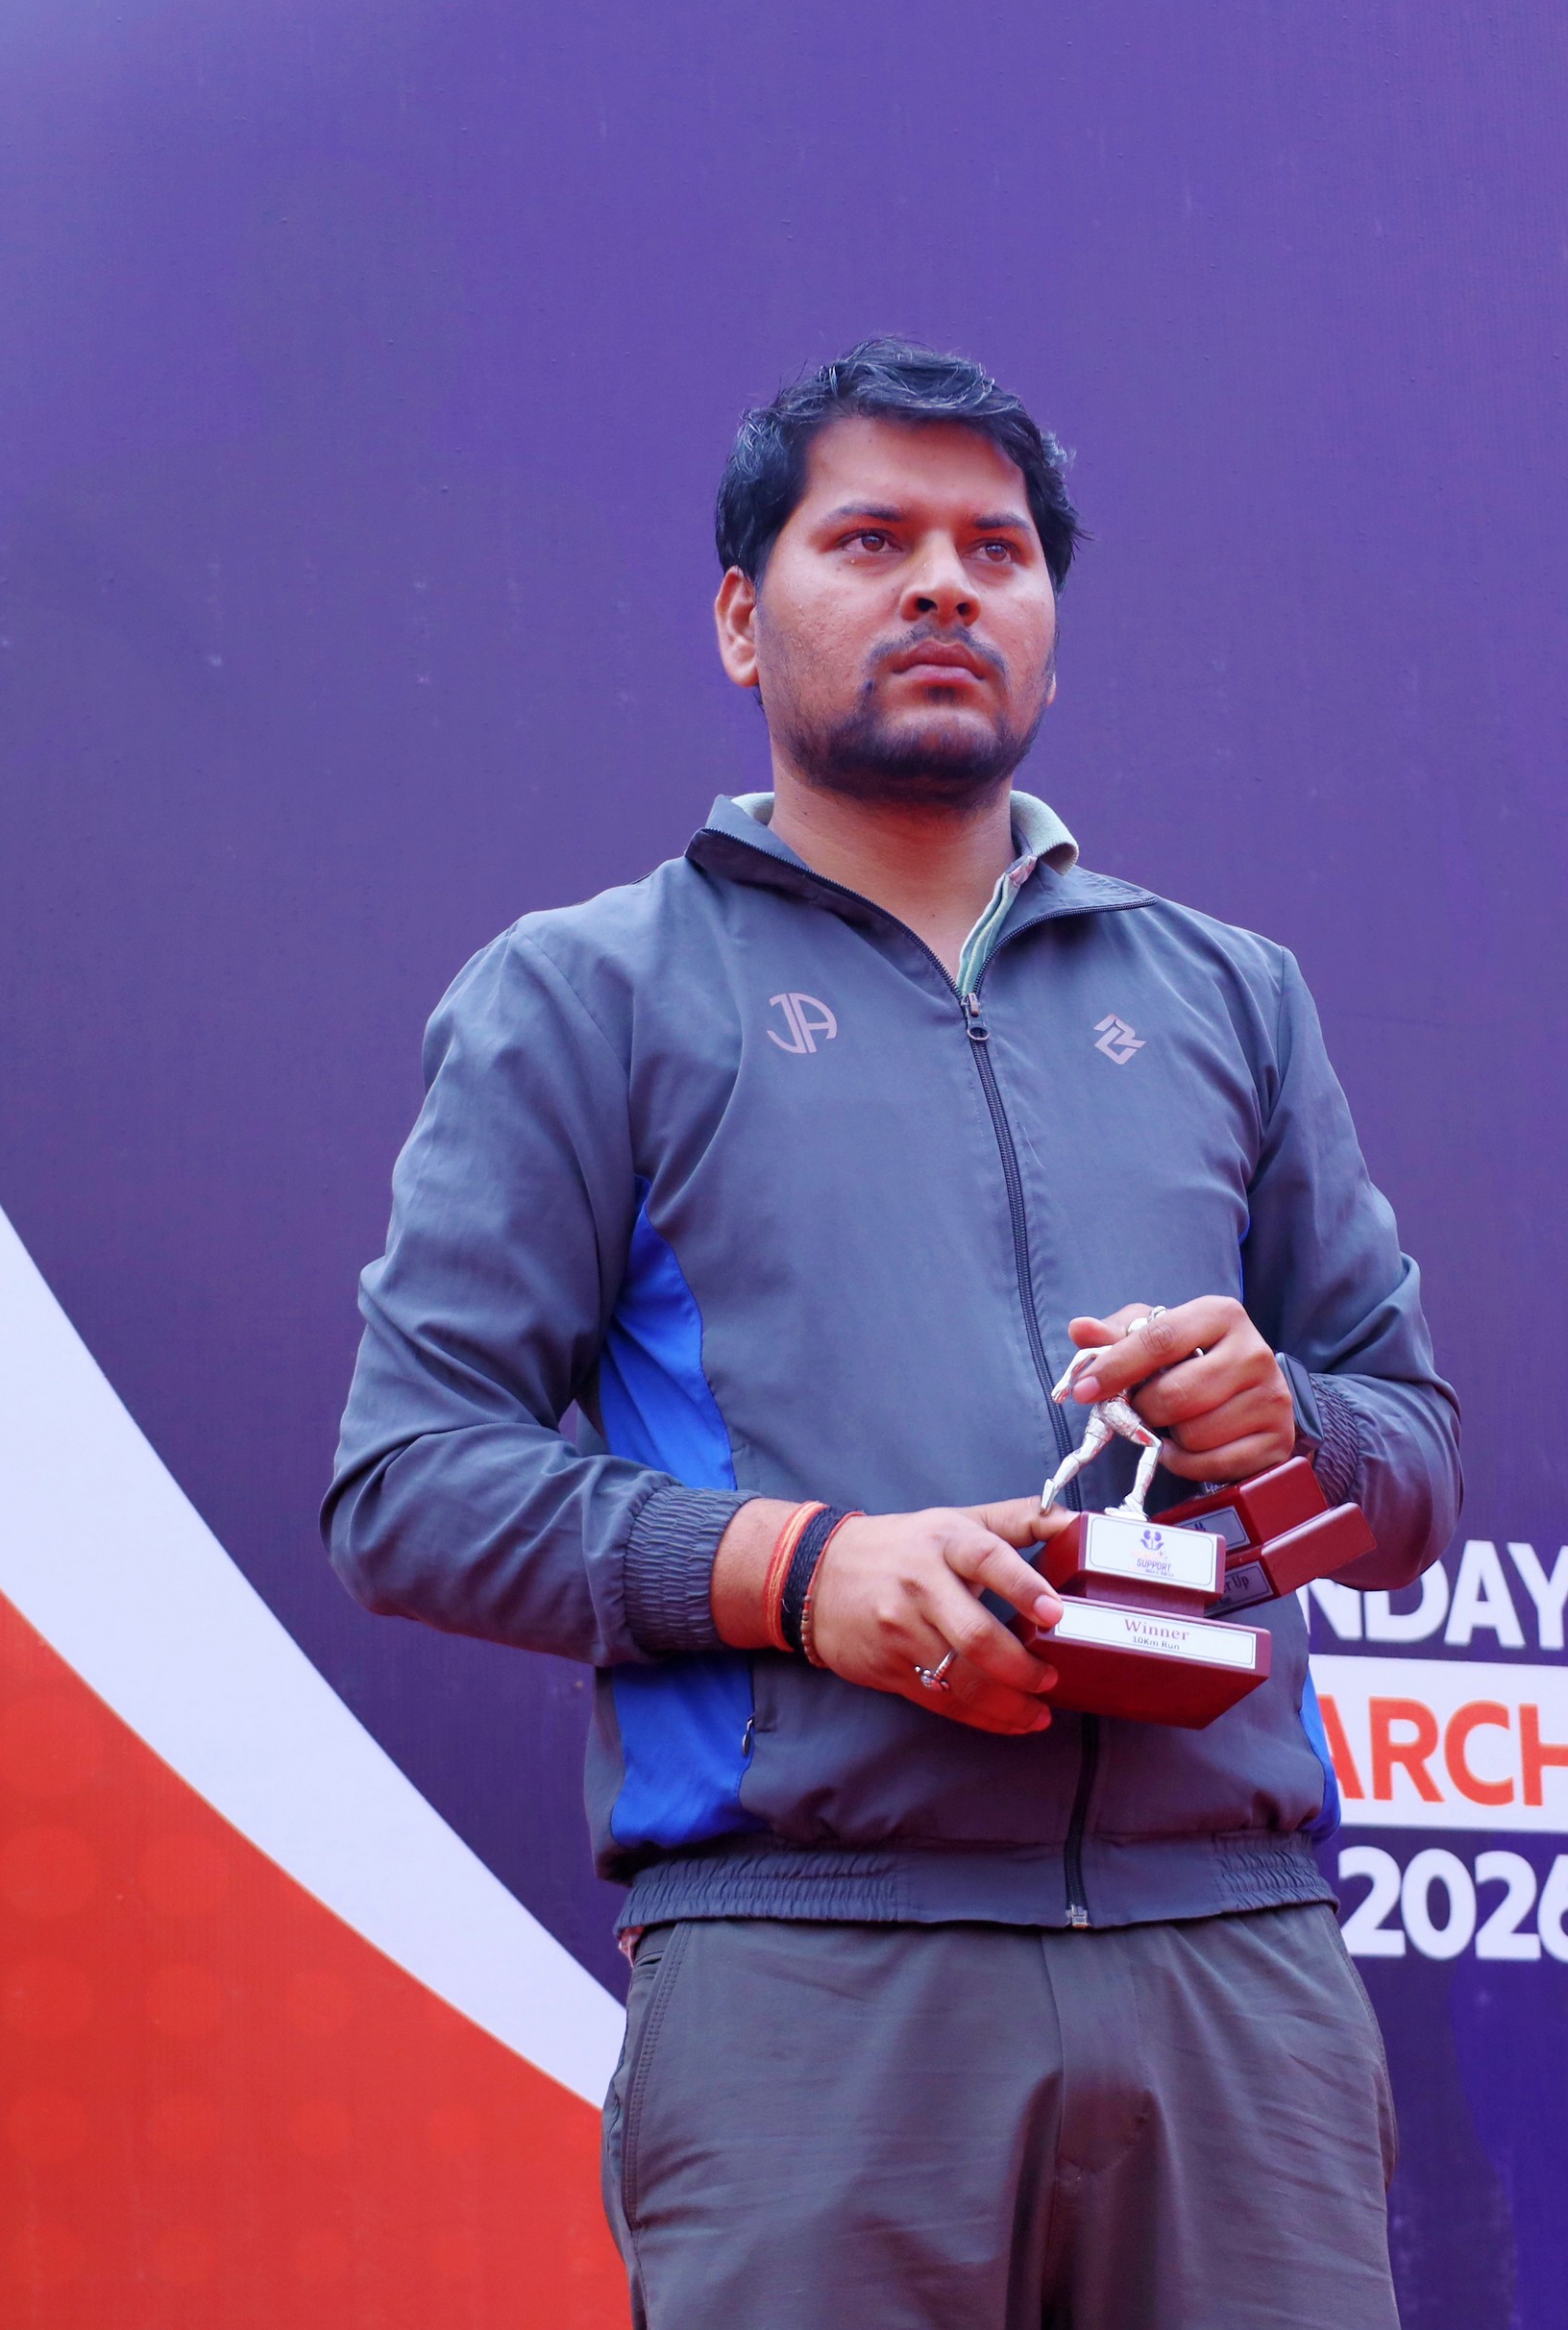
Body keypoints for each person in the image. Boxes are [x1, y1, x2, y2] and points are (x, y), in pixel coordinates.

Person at [326, 336, 1458, 2328]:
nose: (945, 584)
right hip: (814, 1973)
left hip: (1242, 1980)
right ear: (740, 620)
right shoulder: (589, 993)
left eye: (996, 551)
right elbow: (409, 1487)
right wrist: (805, 1572)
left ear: (1050, 635)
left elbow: (1411, 1477)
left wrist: (1281, 1422)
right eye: (871, 540)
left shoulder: (1231, 996)